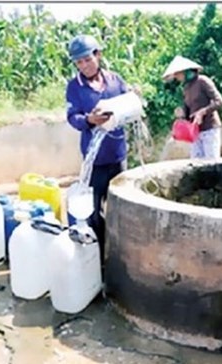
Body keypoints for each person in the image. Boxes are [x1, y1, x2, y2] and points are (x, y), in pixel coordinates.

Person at [65, 34, 139, 257]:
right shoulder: (74, 87)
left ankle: (120, 252)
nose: (84, 66)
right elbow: (72, 117)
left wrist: (134, 99)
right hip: (94, 160)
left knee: (120, 206)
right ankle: (98, 257)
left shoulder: (115, 80)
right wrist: (89, 120)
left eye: (87, 59)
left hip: (117, 155)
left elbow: (128, 105)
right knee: (93, 211)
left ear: (98, 55)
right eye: (79, 62)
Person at [162, 55, 222, 159]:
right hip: (195, 132)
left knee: (211, 164)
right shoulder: (186, 87)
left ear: (185, 71)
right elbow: (188, 111)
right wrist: (181, 115)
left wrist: (202, 112)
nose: (176, 77)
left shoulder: (203, 81)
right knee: (196, 166)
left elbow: (219, 102)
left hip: (209, 129)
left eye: (177, 74)